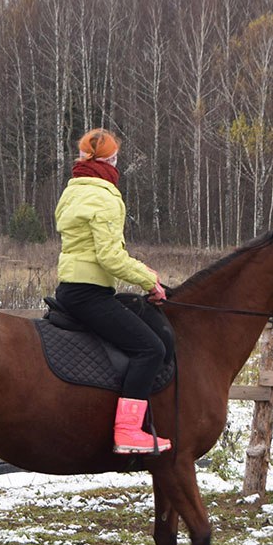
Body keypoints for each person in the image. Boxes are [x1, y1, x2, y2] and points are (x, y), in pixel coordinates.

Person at [52, 128, 170, 454]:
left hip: (70, 288)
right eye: (116, 156)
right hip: (90, 293)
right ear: (111, 159)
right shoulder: (105, 196)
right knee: (150, 349)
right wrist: (149, 280)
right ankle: (129, 431)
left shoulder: (72, 191)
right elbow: (110, 257)